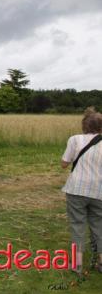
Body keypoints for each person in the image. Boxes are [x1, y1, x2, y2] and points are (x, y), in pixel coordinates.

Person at [60, 107, 102, 274]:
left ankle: (77, 265)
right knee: (99, 225)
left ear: (84, 125)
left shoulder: (75, 139)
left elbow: (64, 164)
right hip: (99, 191)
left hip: (76, 189)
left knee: (77, 225)